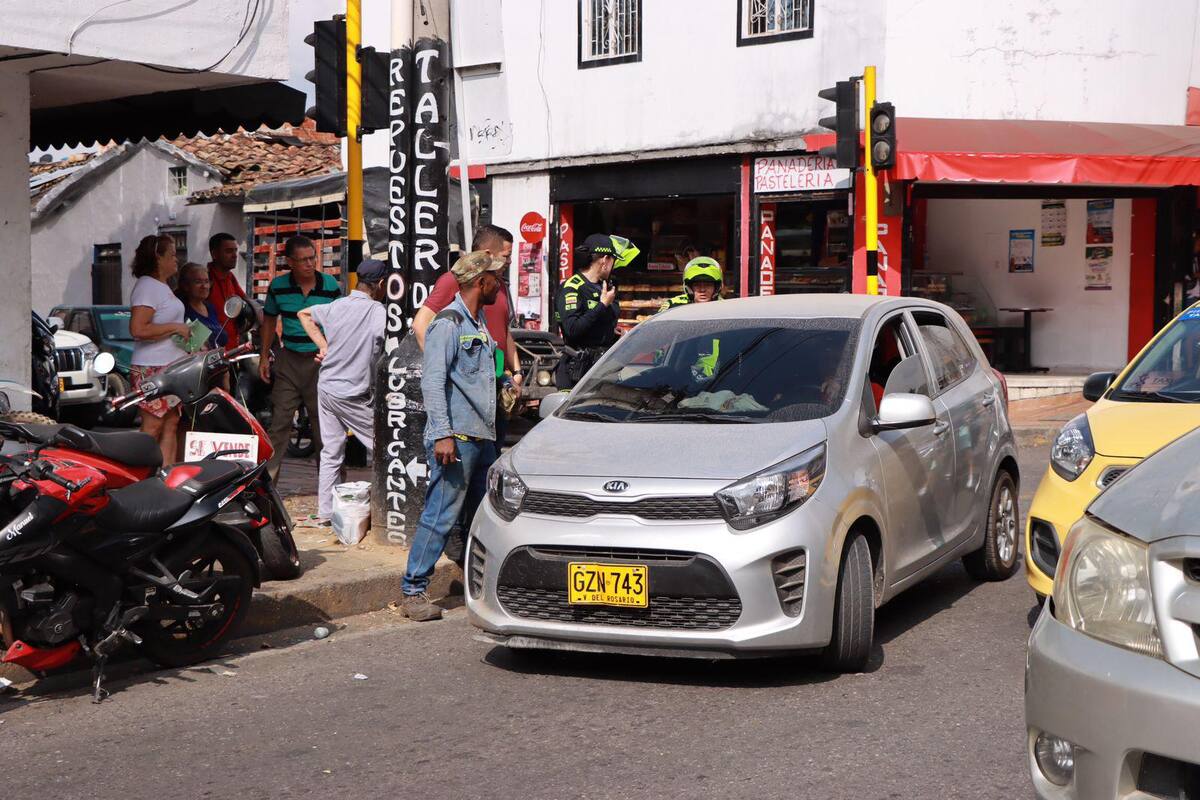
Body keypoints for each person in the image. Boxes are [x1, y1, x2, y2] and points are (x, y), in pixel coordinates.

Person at [402, 251, 505, 622]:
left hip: (482, 436)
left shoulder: (477, 322)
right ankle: (413, 591)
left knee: (482, 516)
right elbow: (432, 381)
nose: (500, 284)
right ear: (481, 282)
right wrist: (443, 435)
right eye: (496, 278)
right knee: (441, 514)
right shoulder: (448, 323)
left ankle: (479, 583)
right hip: (457, 437)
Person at [297, 259, 388, 526]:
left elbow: (304, 315)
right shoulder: (378, 312)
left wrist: (324, 347)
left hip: (326, 387)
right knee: (384, 446)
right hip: (352, 392)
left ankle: (326, 513)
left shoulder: (337, 305)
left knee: (331, 451)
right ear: (381, 285)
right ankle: (385, 509)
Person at [413, 224, 523, 438]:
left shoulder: (499, 285)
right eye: (506, 255)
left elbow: (504, 330)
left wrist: (516, 373)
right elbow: (420, 325)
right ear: (489, 254)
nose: (509, 262)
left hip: (495, 388)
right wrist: (454, 373)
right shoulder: (455, 281)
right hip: (467, 401)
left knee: (490, 459)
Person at [260, 235, 340, 482]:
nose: (309, 264)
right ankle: (267, 487)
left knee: (323, 429)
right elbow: (270, 321)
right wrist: (265, 356)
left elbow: (339, 322)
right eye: (303, 260)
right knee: (279, 424)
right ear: (290, 262)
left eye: (312, 258)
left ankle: (333, 489)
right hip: (289, 360)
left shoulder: (330, 285)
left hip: (320, 363)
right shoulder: (278, 286)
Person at [128, 233, 190, 465]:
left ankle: (166, 477)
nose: (177, 260)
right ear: (157, 257)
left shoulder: (162, 287)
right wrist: (176, 327)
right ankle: (139, 476)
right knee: (153, 425)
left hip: (171, 366)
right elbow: (138, 329)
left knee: (171, 422)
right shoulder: (147, 287)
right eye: (172, 255)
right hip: (152, 367)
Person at [554, 233, 639, 388]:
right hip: (577, 372)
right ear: (605, 260)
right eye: (613, 260)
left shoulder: (604, 286)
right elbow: (573, 329)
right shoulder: (573, 287)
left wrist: (611, 333)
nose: (614, 265)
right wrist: (602, 305)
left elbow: (595, 326)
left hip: (601, 367)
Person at [206, 232, 247, 347]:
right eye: (229, 251)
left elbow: (245, 300)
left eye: (235, 250)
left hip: (233, 349)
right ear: (214, 254)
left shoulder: (231, 277)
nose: (234, 255)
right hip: (213, 352)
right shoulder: (205, 280)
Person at [177, 262, 228, 351]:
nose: (204, 286)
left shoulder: (211, 308)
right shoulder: (183, 311)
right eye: (198, 282)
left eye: (206, 281)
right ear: (186, 286)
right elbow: (191, 347)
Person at [658, 256, 725, 312]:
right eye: (697, 285)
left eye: (708, 285)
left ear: (716, 287)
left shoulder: (724, 307)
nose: (702, 289)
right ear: (689, 287)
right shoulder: (673, 305)